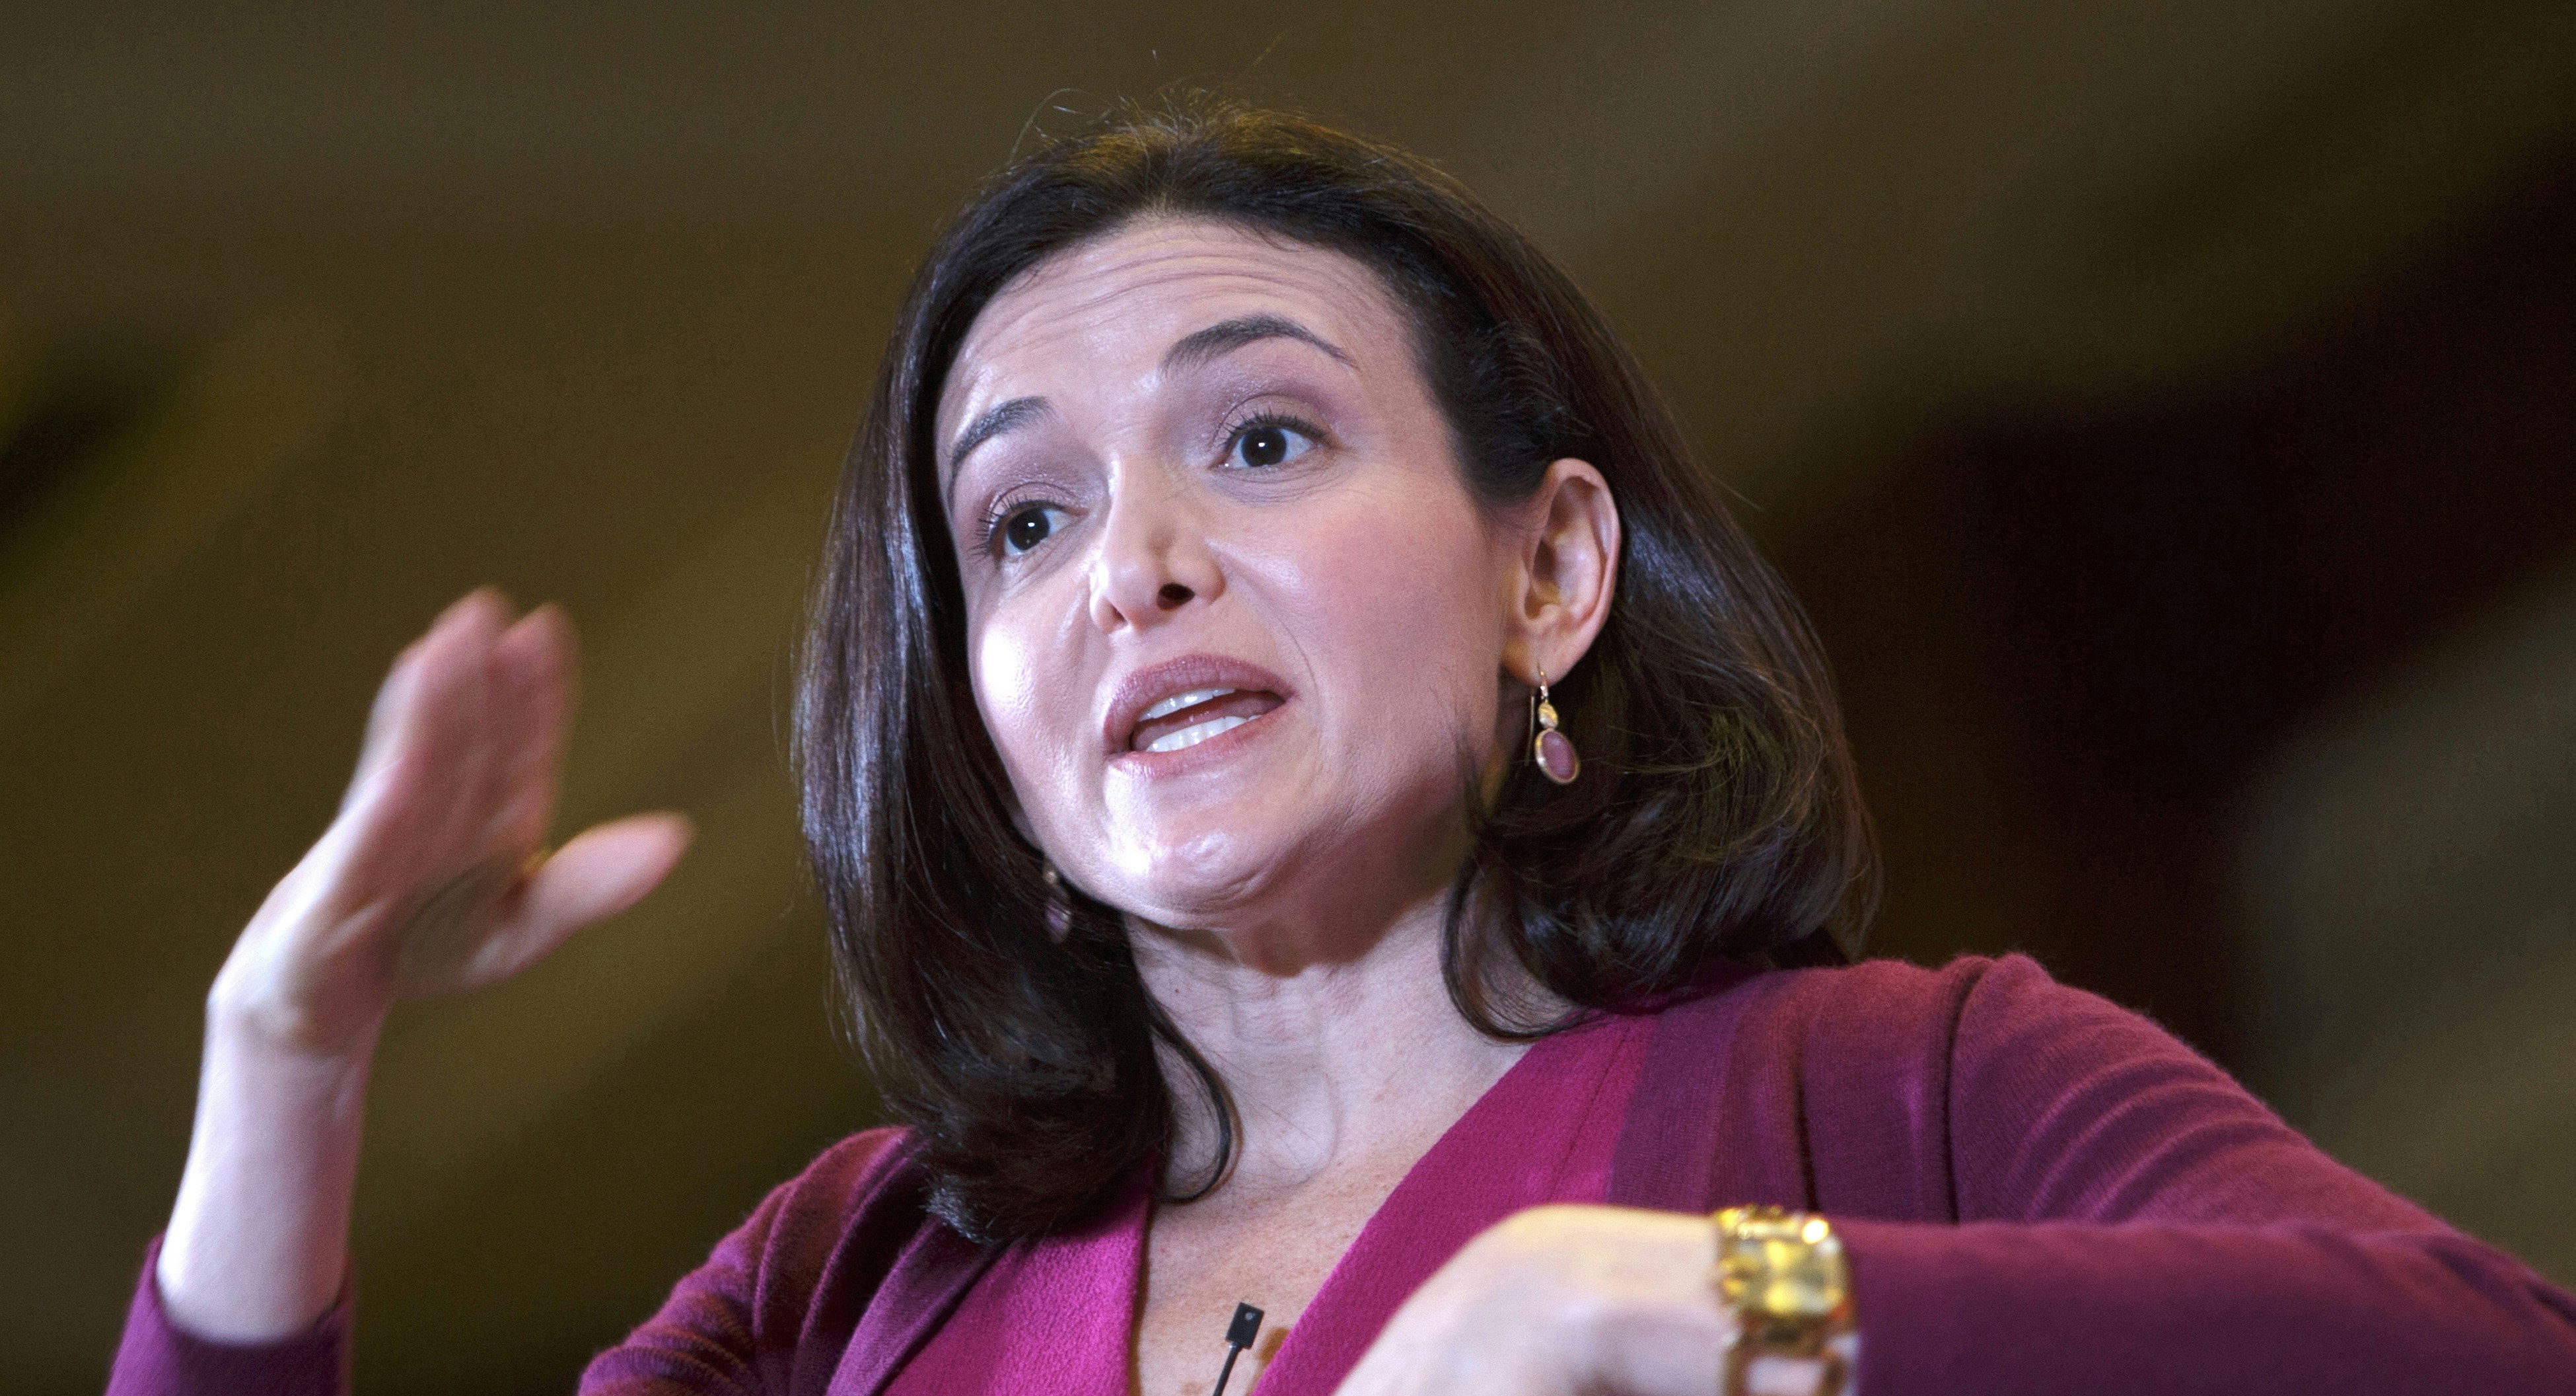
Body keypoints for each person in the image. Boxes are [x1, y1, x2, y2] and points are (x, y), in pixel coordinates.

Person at [108, 98, 2576, 1396]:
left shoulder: (1902, 1085)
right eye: (1024, 521)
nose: (1134, 564)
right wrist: (284, 1054)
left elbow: (2477, 1356)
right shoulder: (847, 1283)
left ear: (1552, 569)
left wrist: (1678, 1310)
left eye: (1262, 442)